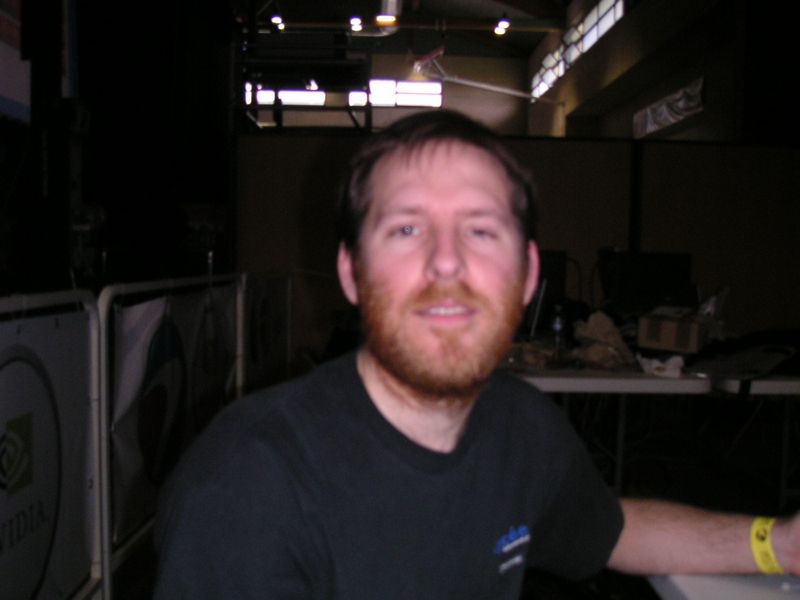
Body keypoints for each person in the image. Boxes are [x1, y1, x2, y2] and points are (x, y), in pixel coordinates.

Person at [152, 109, 799, 598]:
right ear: (351, 274)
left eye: (481, 230)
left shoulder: (522, 426)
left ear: (527, 276)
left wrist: (780, 545)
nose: (447, 261)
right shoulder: (248, 486)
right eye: (407, 228)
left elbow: (611, 530)